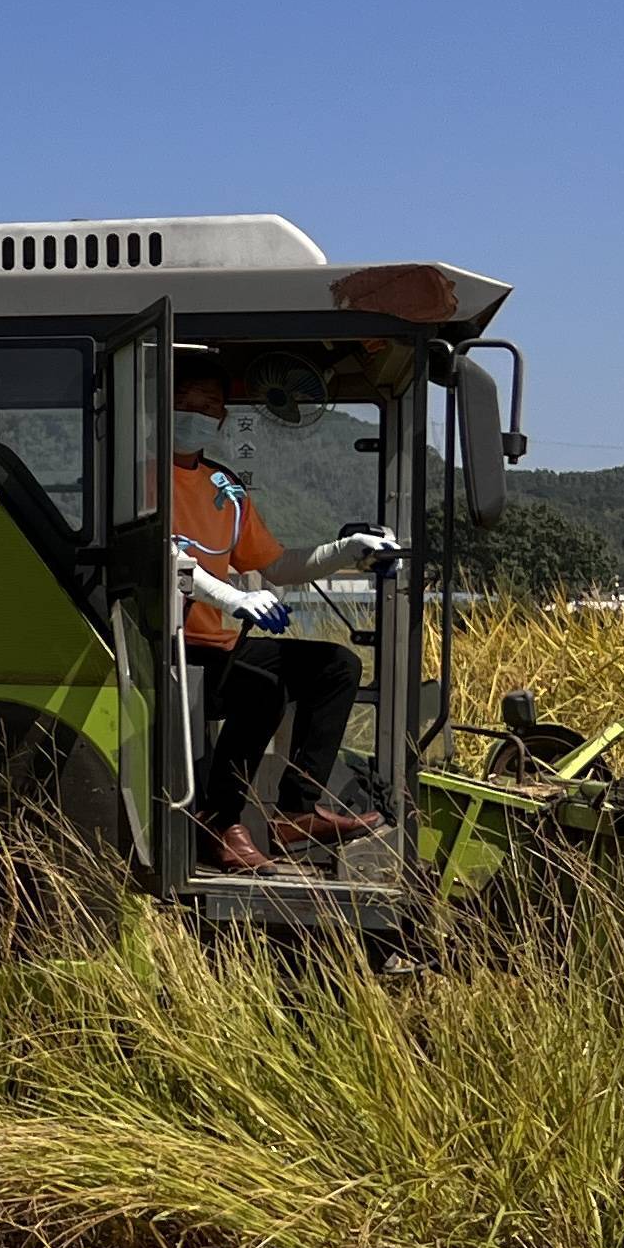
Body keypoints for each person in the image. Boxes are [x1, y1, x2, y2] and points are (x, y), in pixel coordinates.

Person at [170, 366, 394, 871]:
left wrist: (346, 551)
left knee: (335, 665)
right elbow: (166, 559)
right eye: (185, 400)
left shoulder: (224, 489)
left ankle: (296, 808)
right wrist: (234, 600)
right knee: (263, 689)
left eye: (209, 406)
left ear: (224, 420)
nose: (197, 413)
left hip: (218, 644)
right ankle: (220, 820)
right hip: (166, 645)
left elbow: (274, 565)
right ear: (159, 408)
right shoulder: (137, 477)